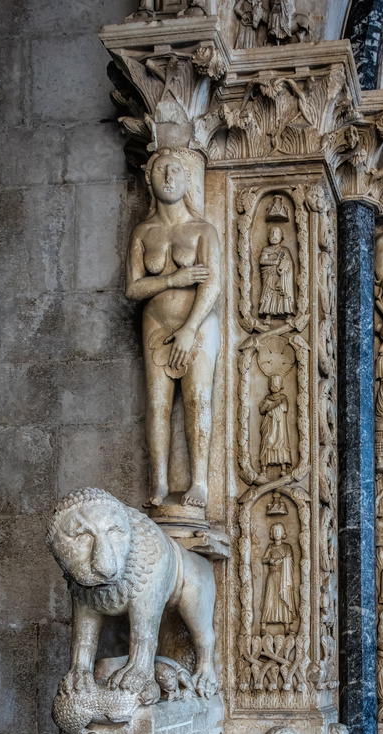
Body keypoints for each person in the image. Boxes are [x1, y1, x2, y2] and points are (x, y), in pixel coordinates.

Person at [126, 149, 221, 509]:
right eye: (161, 170)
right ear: (149, 179)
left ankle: (199, 482)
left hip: (197, 323)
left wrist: (189, 328)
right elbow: (133, 288)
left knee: (198, 399)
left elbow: (212, 285)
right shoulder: (144, 232)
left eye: (176, 170)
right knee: (157, 405)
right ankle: (160, 483)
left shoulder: (202, 231)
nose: (168, 176)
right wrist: (173, 278)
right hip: (155, 323)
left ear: (187, 180)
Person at [261, 522, 297, 633]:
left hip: (284, 577)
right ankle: (263, 626)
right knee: (269, 598)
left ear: (283, 533)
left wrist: (283, 561)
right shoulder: (270, 547)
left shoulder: (287, 547)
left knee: (284, 598)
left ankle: (286, 626)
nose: (277, 533)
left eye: (279, 531)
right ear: (271, 533)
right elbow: (264, 559)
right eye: (275, 531)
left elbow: (290, 560)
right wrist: (271, 560)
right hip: (273, 576)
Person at [259, 375, 292, 473]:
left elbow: (284, 407)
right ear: (269, 385)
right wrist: (267, 405)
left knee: (281, 444)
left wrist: (271, 409)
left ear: (281, 385)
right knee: (266, 442)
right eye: (272, 382)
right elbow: (261, 411)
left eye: (277, 382)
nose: (274, 385)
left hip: (279, 427)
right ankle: (263, 470)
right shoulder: (267, 398)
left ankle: (283, 468)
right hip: (269, 426)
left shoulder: (283, 398)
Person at [259, 227, 294, 316]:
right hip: (269, 276)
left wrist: (283, 268)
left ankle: (287, 314)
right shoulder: (266, 250)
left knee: (282, 293)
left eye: (277, 233)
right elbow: (262, 261)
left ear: (281, 236)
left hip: (281, 277)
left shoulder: (285, 250)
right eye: (272, 233)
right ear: (268, 236)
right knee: (269, 294)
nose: (274, 235)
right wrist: (274, 262)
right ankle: (267, 316)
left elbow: (290, 264)